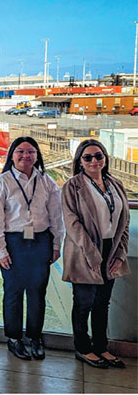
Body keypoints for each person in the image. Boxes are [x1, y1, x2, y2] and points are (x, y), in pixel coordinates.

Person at [0, 136, 64, 360]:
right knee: (12, 292)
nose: (25, 156)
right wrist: (1, 250)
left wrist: (57, 244)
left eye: (30, 152)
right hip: (13, 243)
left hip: (41, 241)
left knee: (38, 292)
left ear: (37, 156)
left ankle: (34, 337)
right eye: (20, 151)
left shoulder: (47, 181)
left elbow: (56, 216)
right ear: (12, 155)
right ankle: (13, 338)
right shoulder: (2, 182)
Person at [62, 139, 130, 369]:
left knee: (103, 303)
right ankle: (83, 348)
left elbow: (124, 221)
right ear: (80, 162)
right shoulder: (72, 186)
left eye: (98, 156)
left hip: (111, 249)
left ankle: (101, 347)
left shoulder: (116, 184)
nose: (94, 161)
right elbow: (72, 223)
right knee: (83, 303)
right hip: (84, 250)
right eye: (88, 157)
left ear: (105, 159)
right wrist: (92, 254)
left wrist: (120, 254)